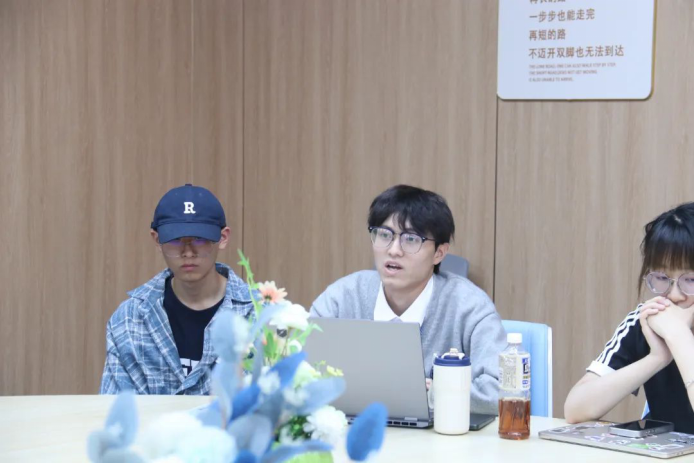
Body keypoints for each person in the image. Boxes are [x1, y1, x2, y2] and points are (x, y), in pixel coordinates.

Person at [310, 185, 507, 415]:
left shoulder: (470, 307)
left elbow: (502, 392)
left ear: (439, 253)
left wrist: (434, 393)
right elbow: (298, 369)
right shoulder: (343, 297)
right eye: (384, 235)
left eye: (411, 239)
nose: (394, 250)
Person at [100, 184, 253, 395]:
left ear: (223, 238)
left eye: (199, 239)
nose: (188, 252)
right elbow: (116, 408)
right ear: (157, 240)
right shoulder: (129, 319)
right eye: (175, 240)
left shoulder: (261, 314)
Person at [565, 202, 694, 433]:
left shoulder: (670, 326)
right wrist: (657, 358)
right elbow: (575, 409)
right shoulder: (645, 321)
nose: (674, 295)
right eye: (662, 278)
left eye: (690, 280)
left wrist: (680, 337)